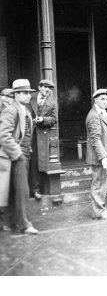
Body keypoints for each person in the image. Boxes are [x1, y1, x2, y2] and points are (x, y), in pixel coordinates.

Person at [0, 79, 38, 234]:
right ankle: (24, 224)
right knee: (22, 190)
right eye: (24, 93)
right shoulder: (11, 110)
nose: (28, 96)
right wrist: (18, 154)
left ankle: (9, 222)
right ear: (15, 95)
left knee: (13, 190)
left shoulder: (24, 109)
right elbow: (3, 135)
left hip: (23, 154)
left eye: (29, 93)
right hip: (14, 156)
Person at [86, 89, 107, 220]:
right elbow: (95, 139)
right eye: (102, 99)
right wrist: (103, 157)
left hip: (104, 155)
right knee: (98, 183)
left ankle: (101, 209)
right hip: (99, 157)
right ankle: (98, 211)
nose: (105, 102)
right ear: (95, 100)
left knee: (102, 183)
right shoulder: (94, 115)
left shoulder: (102, 113)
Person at [28, 79, 57, 200]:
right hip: (26, 132)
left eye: (50, 89)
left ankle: (36, 189)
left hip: (40, 135)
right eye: (45, 88)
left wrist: (43, 120)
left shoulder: (52, 102)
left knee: (36, 162)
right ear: (39, 87)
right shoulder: (29, 97)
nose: (48, 91)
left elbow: (54, 119)